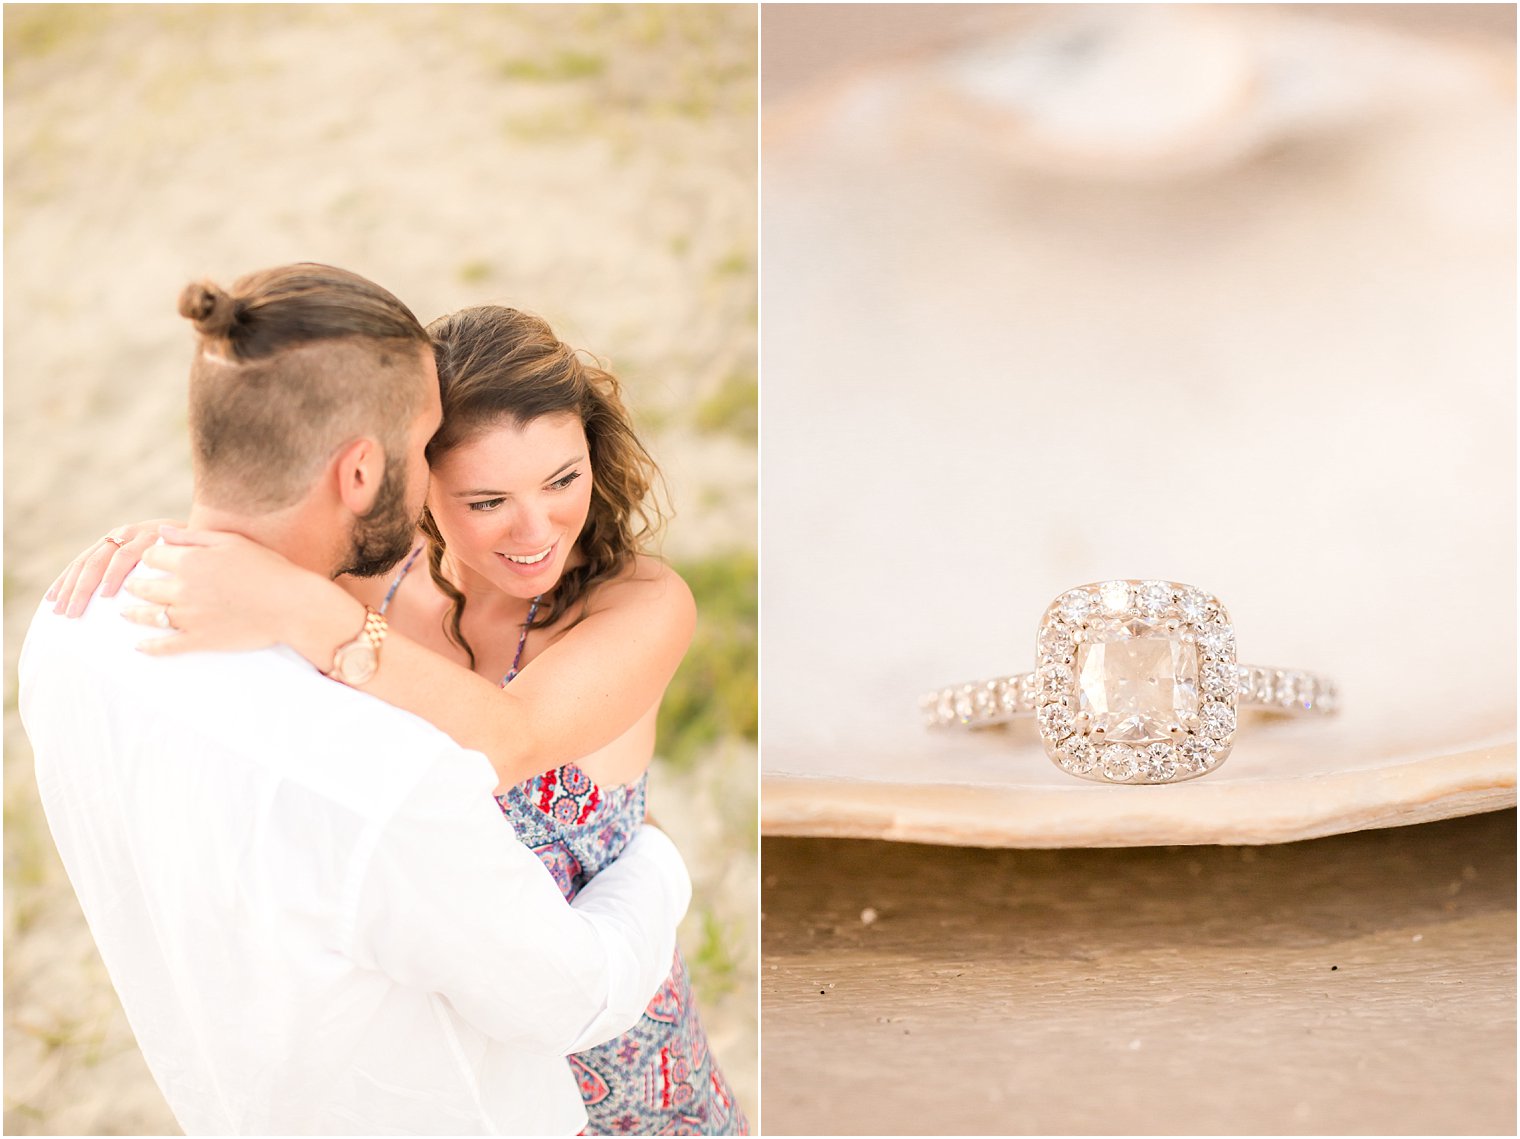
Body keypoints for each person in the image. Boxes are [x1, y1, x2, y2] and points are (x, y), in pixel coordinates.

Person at [21, 263, 693, 1137]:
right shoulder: (378, 568)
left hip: (617, 1029)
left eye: (563, 479)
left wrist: (302, 606)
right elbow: (279, 502)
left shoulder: (639, 604)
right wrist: (195, 547)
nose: (536, 531)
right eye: (486, 499)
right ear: (415, 487)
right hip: (455, 1044)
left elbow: (513, 737)